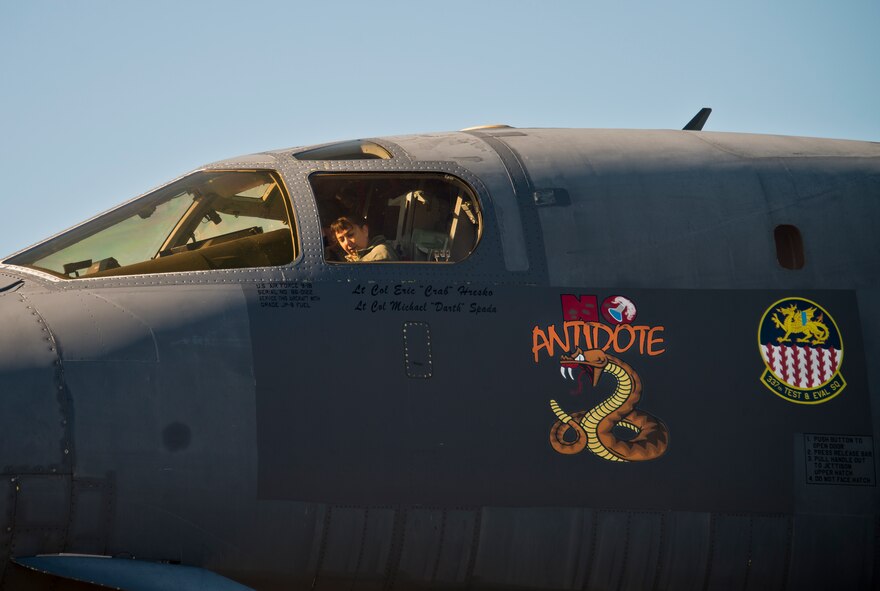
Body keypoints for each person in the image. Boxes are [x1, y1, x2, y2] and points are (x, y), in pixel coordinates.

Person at [330, 216, 399, 262]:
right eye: (341, 240)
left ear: (365, 230)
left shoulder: (380, 254)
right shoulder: (355, 259)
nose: (347, 242)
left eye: (350, 235)